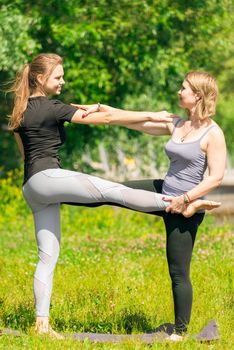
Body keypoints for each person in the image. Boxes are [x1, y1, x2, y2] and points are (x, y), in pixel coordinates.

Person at [8, 53, 220, 339]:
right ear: (39, 78)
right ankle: (182, 205)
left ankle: (41, 325)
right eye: (58, 77)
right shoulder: (52, 107)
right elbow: (105, 119)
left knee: (48, 256)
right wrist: (150, 114)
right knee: (113, 191)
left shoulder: (20, 110)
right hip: (49, 178)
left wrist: (106, 108)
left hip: (32, 188)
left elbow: (25, 154)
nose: (63, 81)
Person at [75, 71, 226, 341]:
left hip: (184, 207)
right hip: (163, 191)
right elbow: (138, 121)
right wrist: (100, 110)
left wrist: (187, 199)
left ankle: (179, 332)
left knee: (178, 271)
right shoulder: (177, 123)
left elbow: (216, 177)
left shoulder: (213, 133)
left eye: (184, 88)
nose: (179, 91)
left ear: (198, 95)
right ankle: (67, 194)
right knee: (114, 190)